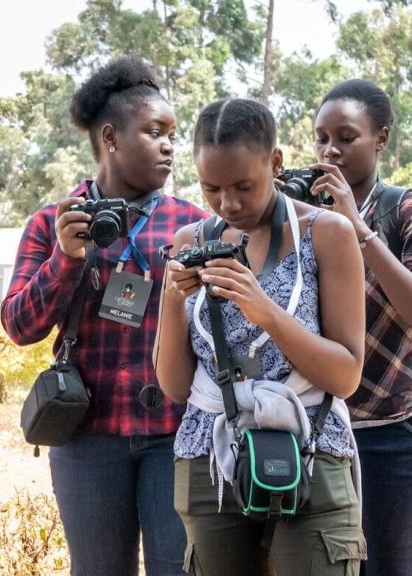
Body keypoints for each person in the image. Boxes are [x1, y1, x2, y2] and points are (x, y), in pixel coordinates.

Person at [1, 57, 206, 575]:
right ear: (111, 138)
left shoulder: (195, 224)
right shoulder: (53, 222)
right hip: (87, 437)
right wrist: (65, 260)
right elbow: (19, 327)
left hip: (174, 432)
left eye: (172, 134)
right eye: (154, 132)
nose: (169, 145)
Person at [154, 98, 367, 575]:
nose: (228, 203)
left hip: (310, 449)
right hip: (213, 457)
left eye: (243, 186)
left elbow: (347, 374)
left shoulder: (327, 233)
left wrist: (265, 311)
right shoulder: (192, 241)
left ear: (276, 162)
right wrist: (172, 299)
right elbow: (173, 385)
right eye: (212, 188)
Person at [306, 78, 412, 576]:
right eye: (322, 137)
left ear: (381, 139)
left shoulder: (409, 211)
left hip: (395, 433)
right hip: (318, 431)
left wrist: (358, 228)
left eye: (346, 137)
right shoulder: (304, 216)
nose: (330, 150)